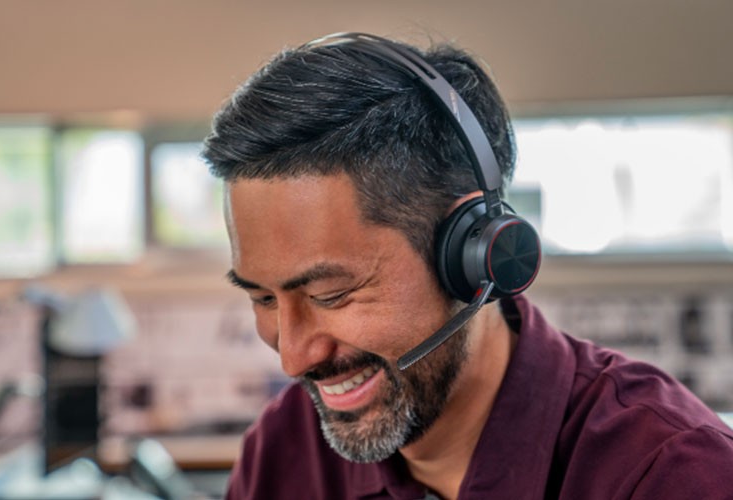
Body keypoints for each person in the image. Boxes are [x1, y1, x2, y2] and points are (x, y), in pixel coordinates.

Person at [202, 32, 733, 499]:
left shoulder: (671, 473)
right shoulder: (286, 450)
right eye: (264, 298)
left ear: (474, 256)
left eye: (331, 294)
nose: (293, 358)